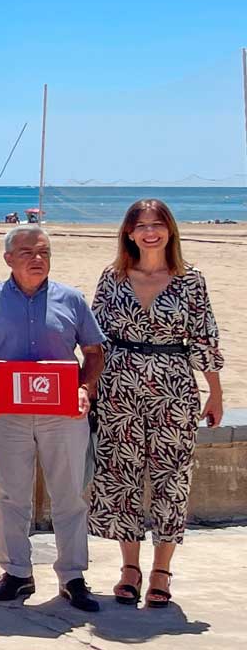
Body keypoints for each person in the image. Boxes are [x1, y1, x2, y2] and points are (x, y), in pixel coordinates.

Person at [89, 199, 225, 609]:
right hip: (120, 388)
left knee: (171, 478)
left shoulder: (191, 280)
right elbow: (95, 338)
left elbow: (204, 339)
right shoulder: (112, 278)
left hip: (174, 387)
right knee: (122, 475)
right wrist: (89, 386)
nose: (150, 232)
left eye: (158, 224)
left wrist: (215, 391)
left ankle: (162, 571)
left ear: (170, 230)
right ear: (129, 233)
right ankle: (129, 568)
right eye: (142, 225)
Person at [0, 225, 106, 612]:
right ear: (9, 258)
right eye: (28, 252)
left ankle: (72, 576)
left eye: (44, 252)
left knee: (68, 495)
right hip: (7, 415)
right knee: (13, 495)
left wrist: (84, 387)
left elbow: (94, 352)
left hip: (63, 414)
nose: (37, 259)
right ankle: (16, 572)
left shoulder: (72, 299)